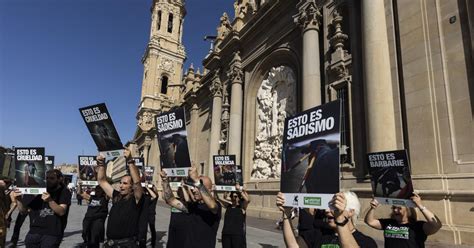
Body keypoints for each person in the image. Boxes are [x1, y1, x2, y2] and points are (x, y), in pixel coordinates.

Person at [276, 191, 377, 248]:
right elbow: (293, 245)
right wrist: (286, 214)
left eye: (334, 207)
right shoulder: (319, 235)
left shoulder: (366, 242)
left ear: (351, 212)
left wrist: (340, 219)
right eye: (328, 206)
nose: (327, 211)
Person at [161, 163, 221, 247]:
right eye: (194, 187)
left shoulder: (216, 206)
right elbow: (170, 200)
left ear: (210, 190)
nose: (194, 190)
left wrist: (197, 181)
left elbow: (212, 206)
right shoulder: (192, 206)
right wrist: (165, 180)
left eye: (198, 187)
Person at [96, 148, 144, 248]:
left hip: (127, 245)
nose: (121, 186)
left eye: (125, 183)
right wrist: (101, 165)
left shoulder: (136, 199)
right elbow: (102, 181)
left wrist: (130, 161)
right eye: (121, 183)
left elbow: (137, 182)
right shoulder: (116, 196)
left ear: (131, 187)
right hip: (110, 244)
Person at [13, 169, 72, 248]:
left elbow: (61, 211)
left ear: (59, 179)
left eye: (52, 178)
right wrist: (19, 200)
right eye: (47, 178)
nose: (48, 180)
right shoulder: (38, 191)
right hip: (33, 233)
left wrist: (50, 200)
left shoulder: (64, 191)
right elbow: (24, 211)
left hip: (52, 234)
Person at [364, 193, 442, 248]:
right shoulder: (389, 223)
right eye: (394, 207)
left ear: (408, 210)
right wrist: (372, 208)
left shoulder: (418, 226)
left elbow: (436, 225)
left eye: (399, 208)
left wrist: (420, 205)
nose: (395, 210)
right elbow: (370, 222)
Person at [160, 173, 191, 248]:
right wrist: (164, 185)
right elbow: (166, 198)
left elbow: (188, 200)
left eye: (181, 190)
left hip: (182, 234)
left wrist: (184, 187)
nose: (180, 191)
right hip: (172, 231)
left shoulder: (189, 205)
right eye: (179, 190)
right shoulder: (176, 200)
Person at [217, 183, 250, 248]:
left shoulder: (242, 207)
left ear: (239, 197)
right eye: (233, 196)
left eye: (236, 196)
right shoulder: (228, 206)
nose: (234, 198)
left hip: (237, 235)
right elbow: (218, 199)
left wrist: (240, 191)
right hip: (226, 234)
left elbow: (247, 200)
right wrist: (224, 188)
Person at [77, 181, 109, 248]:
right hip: (88, 219)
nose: (97, 190)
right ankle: (87, 243)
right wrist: (79, 185)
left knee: (95, 236)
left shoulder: (105, 198)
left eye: (99, 189)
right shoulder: (92, 197)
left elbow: (107, 189)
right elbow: (80, 193)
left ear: (103, 190)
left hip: (98, 220)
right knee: (85, 233)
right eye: (96, 189)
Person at [138, 184, 158, 248]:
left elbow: (154, 196)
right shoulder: (144, 197)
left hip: (151, 214)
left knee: (152, 229)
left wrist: (148, 187)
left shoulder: (152, 196)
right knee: (143, 230)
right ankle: (142, 242)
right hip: (144, 215)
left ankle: (153, 243)